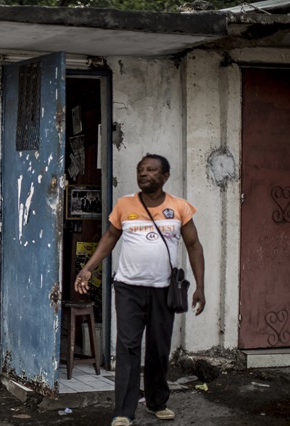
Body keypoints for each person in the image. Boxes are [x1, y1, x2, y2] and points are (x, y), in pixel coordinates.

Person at [74, 154, 205, 426]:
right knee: (128, 347)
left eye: (151, 170)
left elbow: (194, 246)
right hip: (128, 288)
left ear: (165, 175)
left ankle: (157, 403)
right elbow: (110, 237)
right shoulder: (124, 204)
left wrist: (200, 287)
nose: (144, 173)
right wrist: (88, 268)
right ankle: (123, 411)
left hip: (163, 290)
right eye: (140, 169)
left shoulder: (179, 207)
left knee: (158, 348)